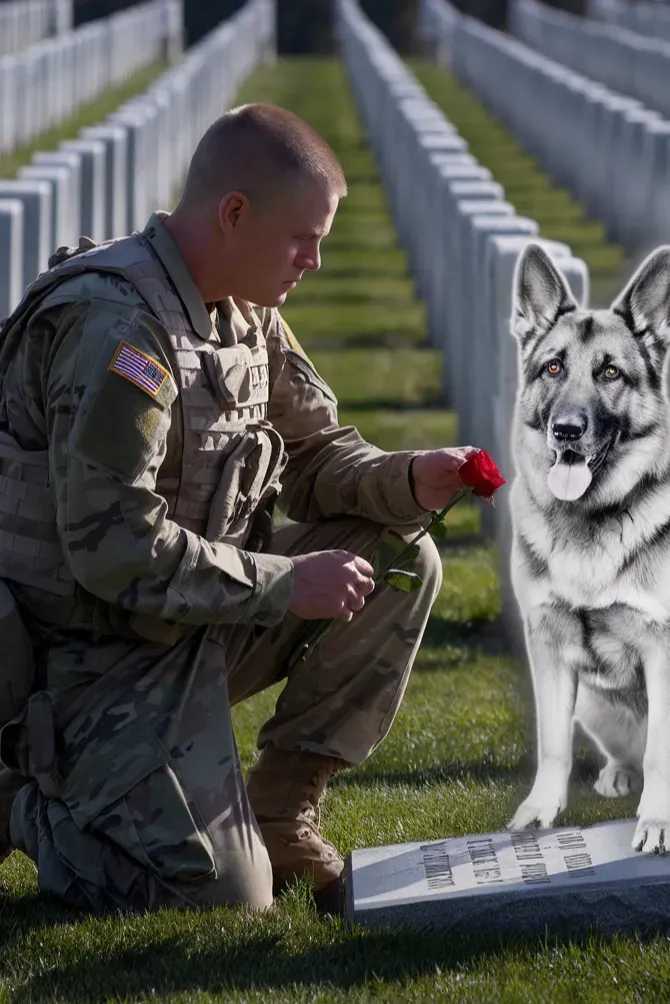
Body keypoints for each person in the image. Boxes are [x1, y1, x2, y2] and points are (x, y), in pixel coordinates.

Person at [0, 103, 476, 913]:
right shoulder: (121, 335)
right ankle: (25, 795)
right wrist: (284, 583)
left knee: (397, 558)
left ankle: (281, 810)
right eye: (305, 239)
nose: (315, 262)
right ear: (233, 214)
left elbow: (318, 454)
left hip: (190, 624)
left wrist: (409, 478)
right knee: (217, 894)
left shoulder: (244, 310)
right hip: (81, 659)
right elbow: (113, 547)